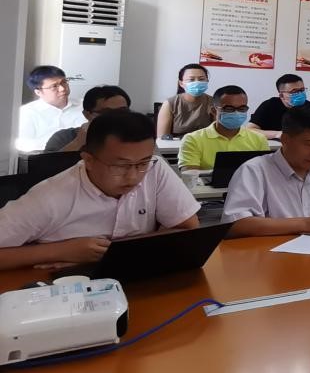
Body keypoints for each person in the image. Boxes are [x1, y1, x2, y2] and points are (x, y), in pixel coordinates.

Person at [0, 110, 200, 271]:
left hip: (135, 272)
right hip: (64, 285)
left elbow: (188, 228)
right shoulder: (49, 197)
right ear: (88, 160)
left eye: (143, 163)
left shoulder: (155, 169)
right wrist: (61, 251)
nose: (133, 176)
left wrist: (109, 253)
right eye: (120, 166)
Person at [222, 103, 310, 237]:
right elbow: (235, 226)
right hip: (271, 249)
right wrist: (307, 223)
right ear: (285, 140)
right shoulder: (254, 171)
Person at [177, 85, 271, 171]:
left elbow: (264, 172)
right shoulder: (193, 139)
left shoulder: (259, 139)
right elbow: (190, 176)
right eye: (229, 109)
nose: (236, 113)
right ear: (214, 110)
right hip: (207, 185)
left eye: (242, 109)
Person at [44, 85, 131, 152]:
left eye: (122, 111)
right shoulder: (64, 137)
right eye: (106, 112)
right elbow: (45, 168)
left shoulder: (135, 136)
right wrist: (78, 143)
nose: (116, 117)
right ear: (87, 114)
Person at [16, 65, 82, 152]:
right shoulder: (27, 112)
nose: (62, 89)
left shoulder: (83, 105)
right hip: (45, 156)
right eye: (54, 86)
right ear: (38, 92)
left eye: (64, 82)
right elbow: (23, 144)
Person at [156, 63, 213, 139]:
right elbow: (162, 138)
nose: (197, 82)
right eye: (191, 80)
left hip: (205, 144)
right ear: (181, 83)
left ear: (207, 81)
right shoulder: (170, 103)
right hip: (177, 145)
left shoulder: (213, 102)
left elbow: (218, 132)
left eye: (201, 79)